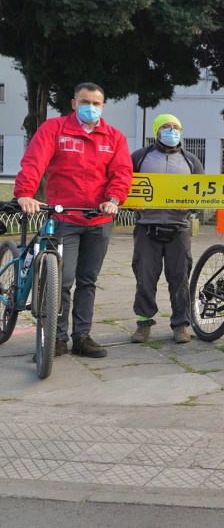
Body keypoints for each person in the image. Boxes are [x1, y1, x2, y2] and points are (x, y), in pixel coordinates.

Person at [14, 82, 133, 358]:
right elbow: (34, 161)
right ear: (73, 103)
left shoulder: (113, 137)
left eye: (96, 103)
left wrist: (113, 200)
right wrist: (25, 194)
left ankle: (82, 337)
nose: (90, 108)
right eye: (85, 102)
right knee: (62, 280)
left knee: (88, 280)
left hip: (98, 219)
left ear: (103, 106)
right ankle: (56, 338)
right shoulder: (55, 129)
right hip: (63, 217)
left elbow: (122, 173)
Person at [129, 114, 205, 345]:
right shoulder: (140, 157)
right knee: (145, 276)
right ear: (156, 130)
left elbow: (201, 193)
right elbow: (122, 183)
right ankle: (143, 323)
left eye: (176, 127)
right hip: (146, 227)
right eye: (166, 127)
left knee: (180, 276)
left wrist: (192, 206)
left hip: (179, 228)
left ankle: (180, 325)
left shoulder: (191, 161)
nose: (171, 131)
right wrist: (130, 202)